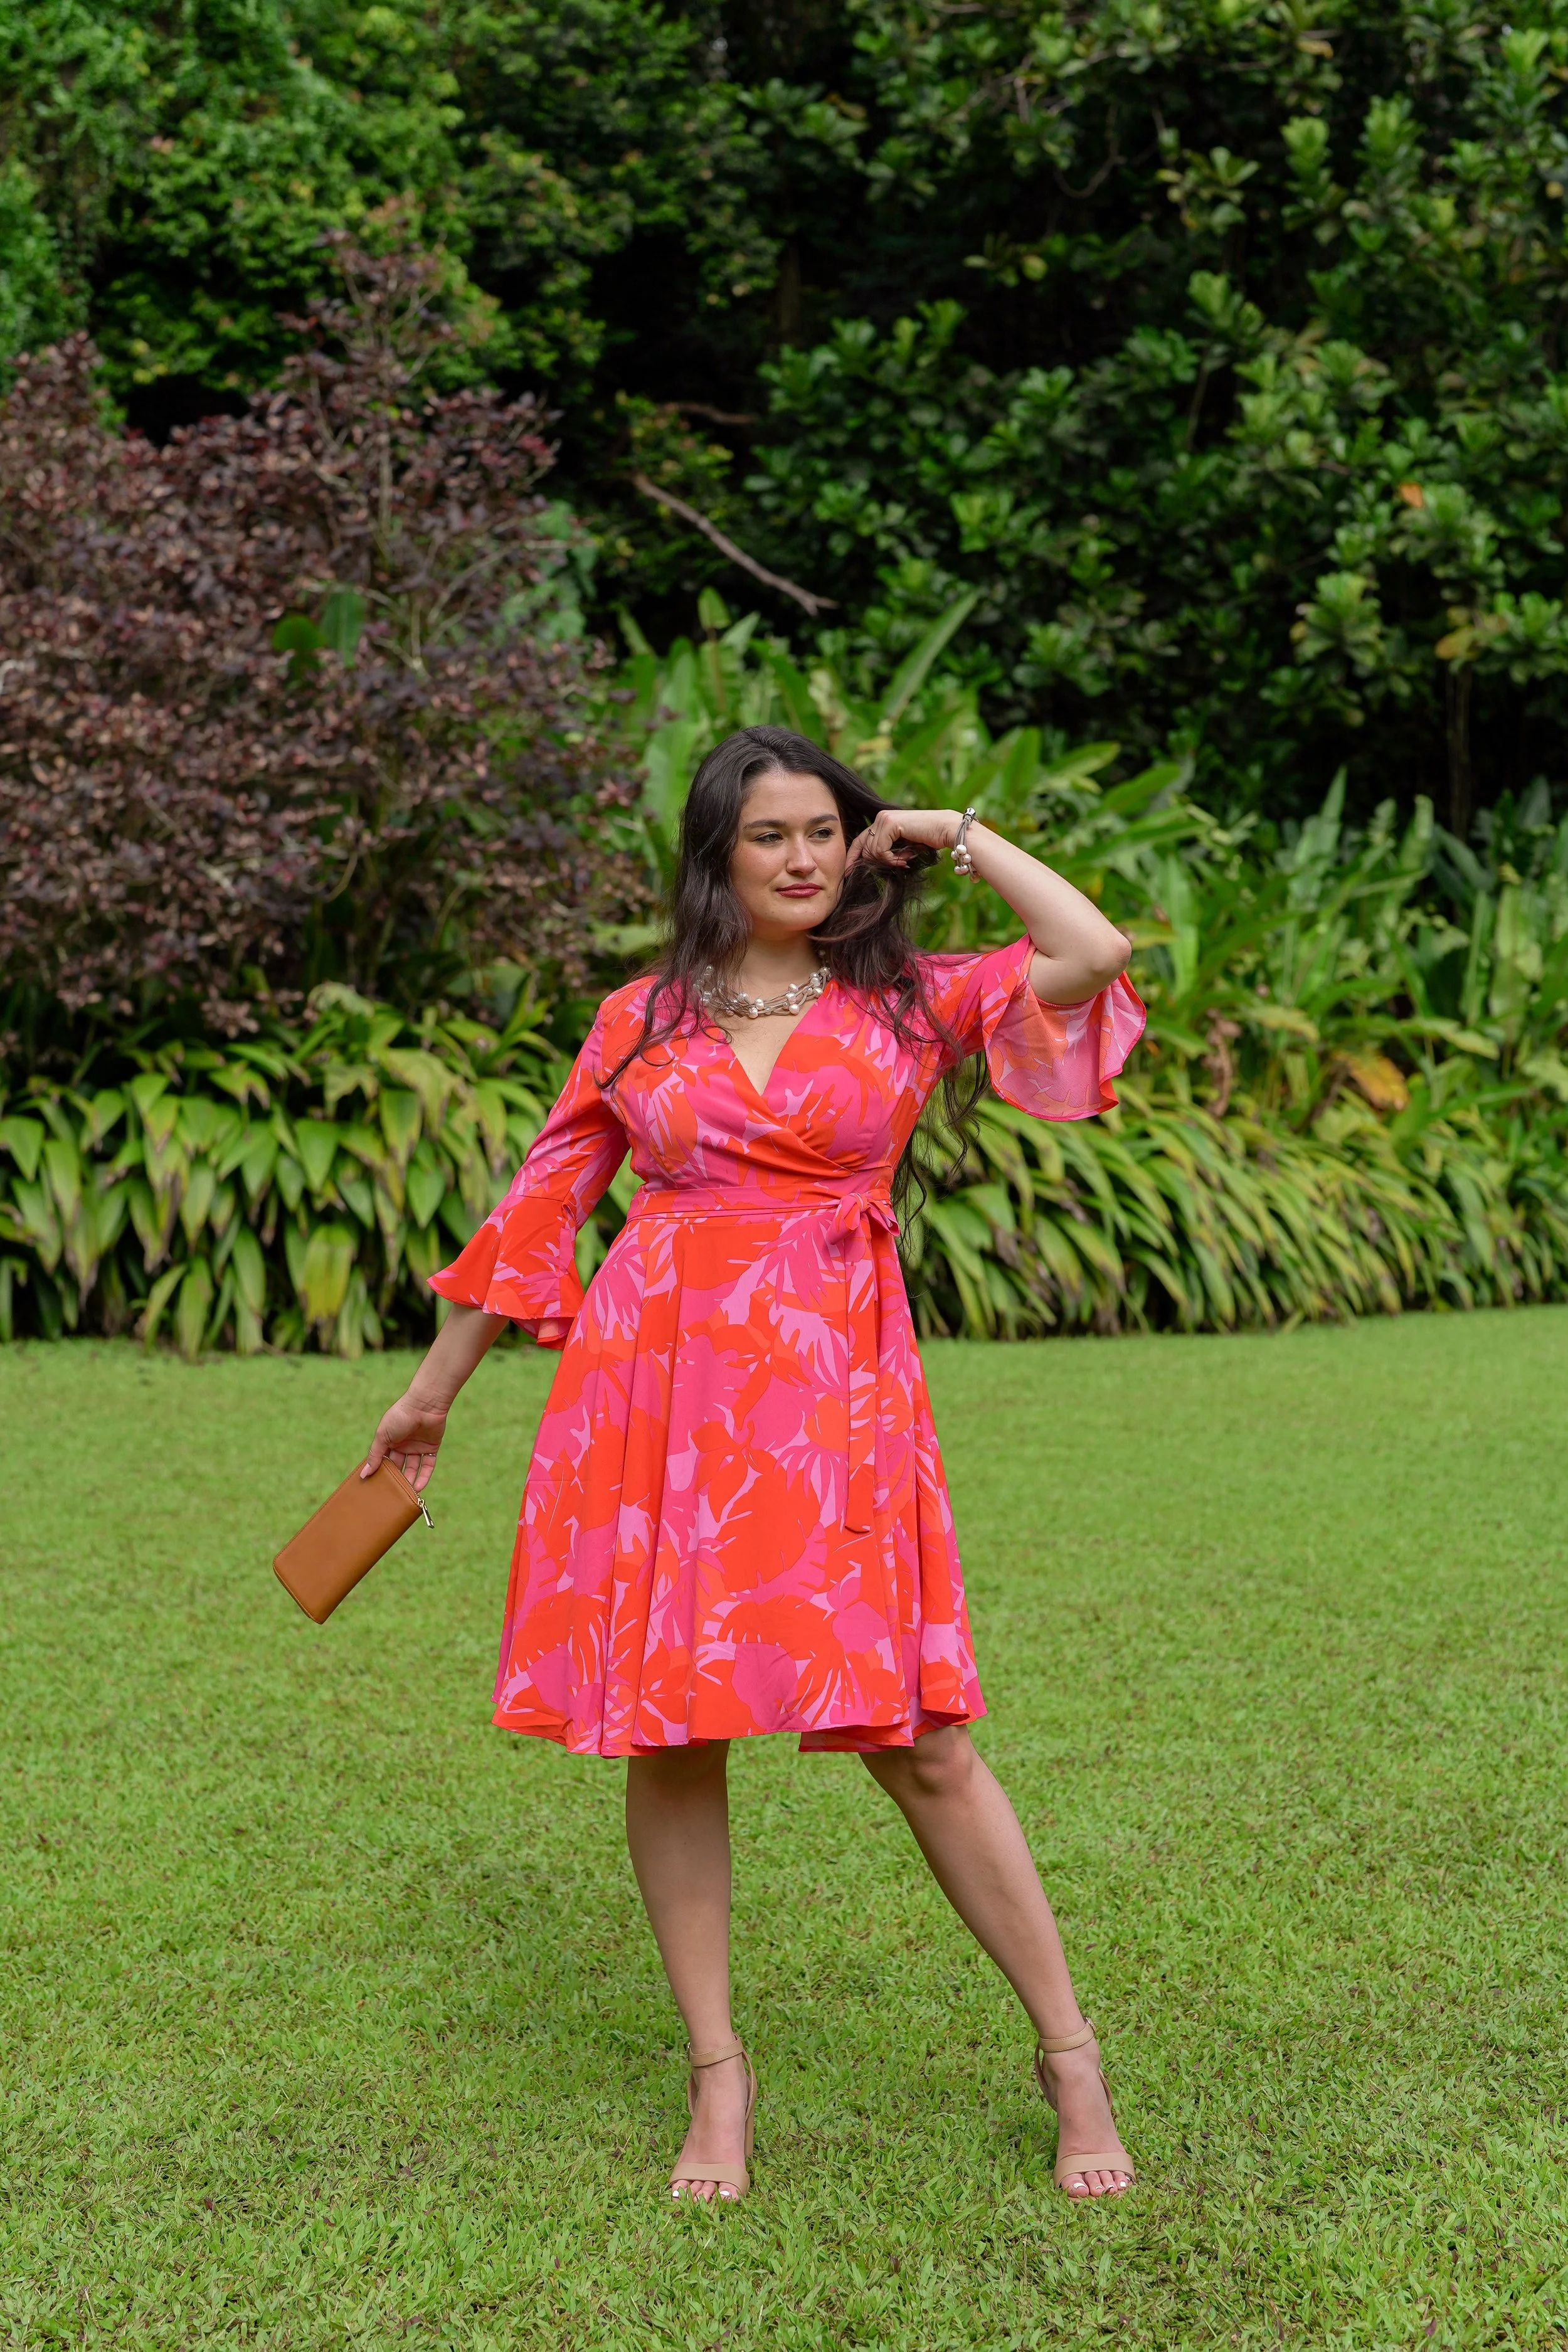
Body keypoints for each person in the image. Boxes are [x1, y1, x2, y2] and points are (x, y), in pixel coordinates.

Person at [364, 726, 1145, 2203]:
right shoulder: (639, 1019)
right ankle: (716, 2075)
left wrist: (946, 829)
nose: (800, 857)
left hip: (837, 1394)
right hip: (657, 1394)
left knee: (919, 1738)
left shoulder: (907, 1000)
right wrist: (428, 1398)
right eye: (768, 834)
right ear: (714, 852)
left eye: (822, 831)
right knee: (673, 1734)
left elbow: (1090, 951)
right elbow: (538, 1212)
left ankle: (1066, 2055)